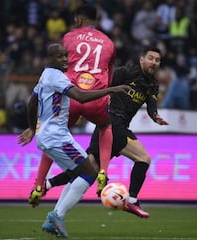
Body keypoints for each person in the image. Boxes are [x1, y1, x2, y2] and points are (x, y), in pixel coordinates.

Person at [37, 46, 168, 219]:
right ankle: (133, 199)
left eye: (157, 60)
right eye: (150, 58)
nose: (154, 63)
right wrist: (88, 109)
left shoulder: (152, 85)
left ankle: (49, 184)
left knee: (88, 168)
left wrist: (155, 116)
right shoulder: (125, 73)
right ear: (141, 59)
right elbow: (102, 86)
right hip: (112, 122)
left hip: (108, 127)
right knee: (143, 158)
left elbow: (151, 103)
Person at [18, 43, 130, 238]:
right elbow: (81, 97)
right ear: (50, 59)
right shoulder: (57, 77)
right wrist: (111, 90)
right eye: (60, 56)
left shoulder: (45, 75)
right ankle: (57, 216)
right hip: (57, 137)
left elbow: (32, 102)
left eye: (65, 56)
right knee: (90, 173)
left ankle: (52, 218)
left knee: (76, 173)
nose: (65, 59)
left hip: (49, 136)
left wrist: (31, 127)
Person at [29, 4, 116, 206]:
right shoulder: (109, 42)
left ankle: (39, 184)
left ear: (78, 19)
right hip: (96, 97)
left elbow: (58, 67)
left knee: (55, 133)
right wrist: (108, 92)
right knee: (105, 126)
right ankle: (103, 171)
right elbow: (110, 73)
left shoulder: (68, 38)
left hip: (72, 96)